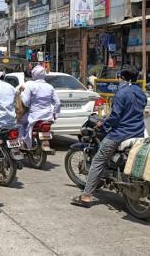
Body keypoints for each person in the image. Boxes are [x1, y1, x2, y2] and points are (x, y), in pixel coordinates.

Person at [72, 65, 147, 207]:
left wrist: (103, 125)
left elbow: (115, 116)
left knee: (98, 160)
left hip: (121, 134)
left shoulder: (121, 93)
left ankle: (86, 196)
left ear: (122, 77)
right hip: (138, 132)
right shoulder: (141, 92)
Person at [18, 65, 61, 149]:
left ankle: (22, 143)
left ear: (34, 74)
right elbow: (58, 103)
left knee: (19, 122)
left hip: (34, 116)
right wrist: (55, 115)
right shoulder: (50, 86)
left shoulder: (31, 86)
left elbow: (25, 102)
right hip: (48, 117)